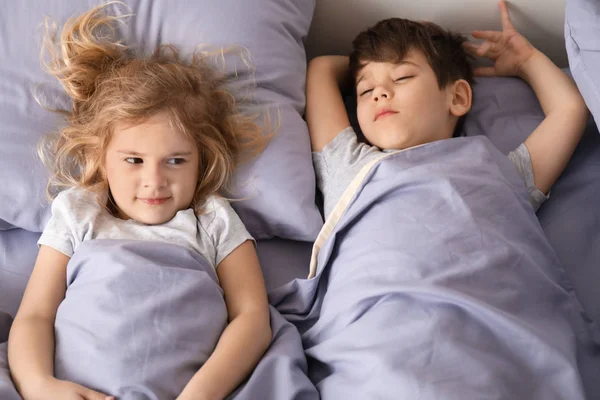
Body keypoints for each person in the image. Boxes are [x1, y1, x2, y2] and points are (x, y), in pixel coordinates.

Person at [7, 3, 272, 400]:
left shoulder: (213, 218)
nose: (154, 181)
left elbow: (252, 319)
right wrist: (41, 385)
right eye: (133, 160)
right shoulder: (80, 211)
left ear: (201, 160)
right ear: (102, 158)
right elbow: (35, 316)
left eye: (176, 161)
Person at [306, 0, 588, 220]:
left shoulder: (499, 175)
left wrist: (526, 60)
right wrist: (367, 62)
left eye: (402, 77)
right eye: (365, 91)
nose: (379, 93)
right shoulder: (348, 167)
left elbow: (570, 109)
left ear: (457, 97)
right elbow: (320, 69)